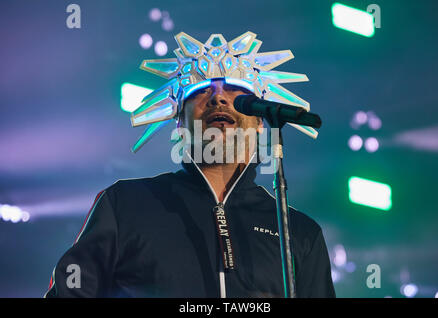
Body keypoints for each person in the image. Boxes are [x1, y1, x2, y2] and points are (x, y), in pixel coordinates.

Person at [44, 31, 335, 298]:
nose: (218, 97)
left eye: (235, 88)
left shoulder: (298, 232)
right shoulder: (124, 206)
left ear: (260, 121)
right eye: (199, 91)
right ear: (180, 122)